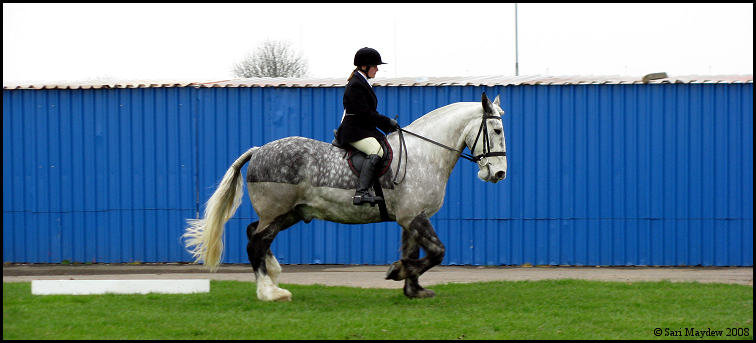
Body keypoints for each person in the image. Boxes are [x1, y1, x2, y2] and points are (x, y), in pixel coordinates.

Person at [334, 47, 399, 205]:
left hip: (361, 128)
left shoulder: (362, 82)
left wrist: (387, 125)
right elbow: (364, 113)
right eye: (375, 66)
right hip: (353, 130)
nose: (377, 69)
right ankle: (361, 193)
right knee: (376, 150)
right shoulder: (356, 84)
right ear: (364, 66)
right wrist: (386, 122)